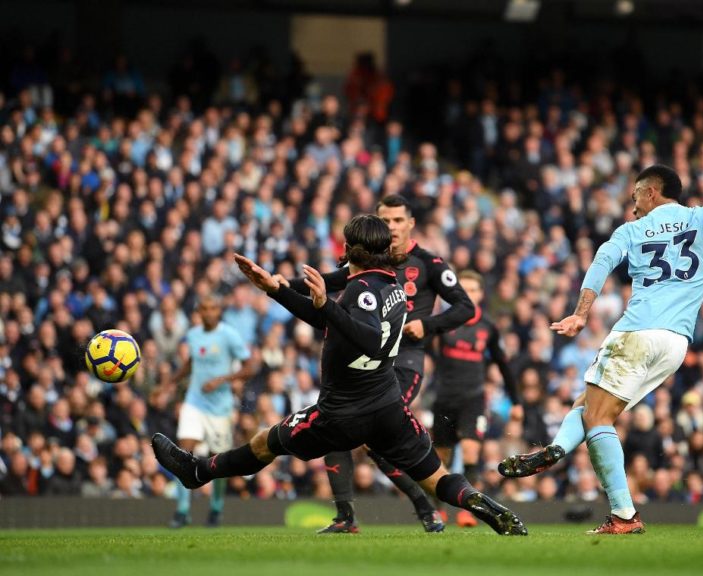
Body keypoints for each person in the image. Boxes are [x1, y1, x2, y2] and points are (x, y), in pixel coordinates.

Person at [152, 215, 526, 537]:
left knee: (266, 442)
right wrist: (276, 290)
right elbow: (328, 318)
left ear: (351, 249)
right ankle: (480, 503)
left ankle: (197, 471)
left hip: (342, 412)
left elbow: (364, 337)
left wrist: (325, 305)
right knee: (436, 476)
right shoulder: (390, 286)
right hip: (388, 406)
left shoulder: (360, 290)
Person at [499, 164, 703, 534]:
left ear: (652, 191)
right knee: (588, 408)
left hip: (637, 332)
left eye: (636, 193)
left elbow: (602, 260)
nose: (633, 202)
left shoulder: (632, 230)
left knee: (597, 419)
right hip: (676, 343)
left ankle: (623, 514)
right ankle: (557, 449)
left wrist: (580, 313)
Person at [279, 195, 474, 533]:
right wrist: (279, 284)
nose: (392, 228)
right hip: (366, 360)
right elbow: (329, 281)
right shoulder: (367, 262)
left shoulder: (428, 263)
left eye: (398, 220)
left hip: (405, 361)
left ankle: (426, 509)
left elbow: (465, 307)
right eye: (385, 221)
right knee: (335, 424)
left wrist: (427, 325)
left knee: (377, 434)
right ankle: (346, 517)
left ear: (410, 223)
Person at [431, 270, 521, 528]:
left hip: (473, 398)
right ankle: (438, 511)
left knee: (471, 452)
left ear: (481, 294)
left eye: (473, 289)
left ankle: (467, 511)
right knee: (441, 457)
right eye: (464, 289)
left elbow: (503, 365)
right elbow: (422, 350)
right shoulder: (443, 322)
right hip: (445, 397)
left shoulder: (488, 327)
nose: (468, 294)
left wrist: (516, 402)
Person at [166, 294, 257, 528]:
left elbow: (251, 366)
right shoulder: (194, 335)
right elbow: (190, 364)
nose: (208, 313)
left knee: (218, 462)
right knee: (182, 454)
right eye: (204, 308)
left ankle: (216, 509)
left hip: (220, 409)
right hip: (194, 402)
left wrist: (223, 379)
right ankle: (182, 511)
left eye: (212, 308)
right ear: (199, 311)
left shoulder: (228, 335)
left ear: (219, 311)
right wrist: (167, 384)